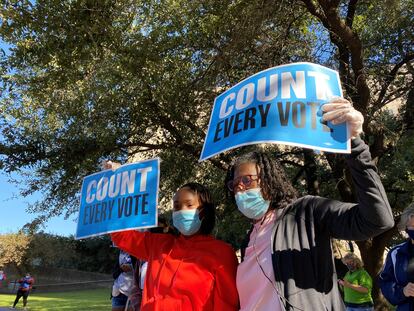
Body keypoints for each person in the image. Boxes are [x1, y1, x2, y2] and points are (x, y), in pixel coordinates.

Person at [225, 98, 394, 310]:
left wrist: (355, 144)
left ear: (268, 180)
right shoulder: (248, 239)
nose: (239, 188)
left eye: (247, 180)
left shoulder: (306, 212)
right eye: (234, 184)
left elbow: (377, 220)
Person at [110, 180, 239, 311]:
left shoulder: (222, 253)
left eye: (189, 205)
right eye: (177, 206)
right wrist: (119, 185)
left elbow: (227, 305)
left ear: (204, 211)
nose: (182, 210)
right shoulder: (159, 244)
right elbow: (121, 236)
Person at [379, 203, 414, 311]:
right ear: (406, 228)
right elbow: (385, 281)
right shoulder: (396, 253)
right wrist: (402, 291)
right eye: (413, 227)